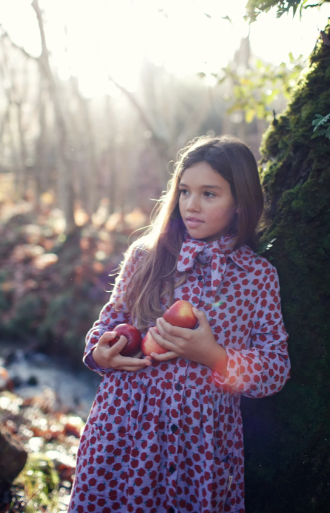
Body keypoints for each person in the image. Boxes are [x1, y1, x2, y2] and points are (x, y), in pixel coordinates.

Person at [67, 135, 290, 513]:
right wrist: (101, 352)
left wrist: (213, 355)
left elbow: (275, 368)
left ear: (240, 203)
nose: (191, 205)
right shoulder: (146, 257)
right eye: (184, 191)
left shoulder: (257, 276)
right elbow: (109, 321)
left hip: (199, 447)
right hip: (124, 427)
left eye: (209, 194)